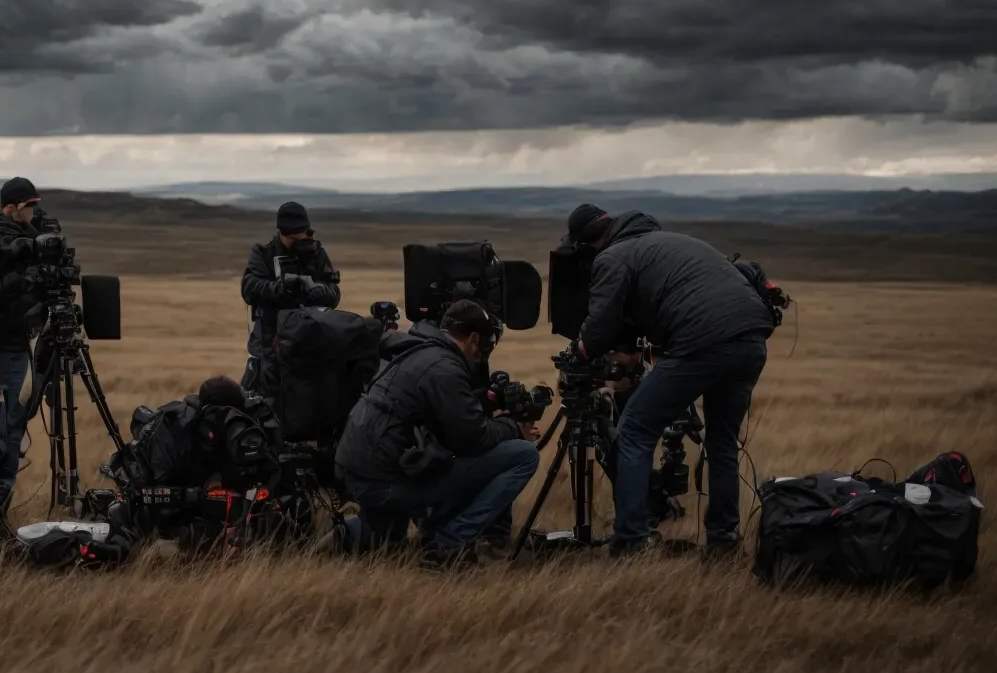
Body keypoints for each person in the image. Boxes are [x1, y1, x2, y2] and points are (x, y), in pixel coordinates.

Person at [565, 204, 776, 558]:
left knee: (634, 430)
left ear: (588, 243)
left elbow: (600, 328)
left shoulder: (613, 257)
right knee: (722, 442)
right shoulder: (672, 241)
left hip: (703, 340)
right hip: (753, 337)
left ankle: (631, 540)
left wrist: (580, 352)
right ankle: (723, 541)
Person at [334, 299, 541, 569]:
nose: (483, 354)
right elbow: (472, 439)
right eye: (486, 345)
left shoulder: (417, 350)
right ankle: (448, 543)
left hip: (360, 473)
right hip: (385, 482)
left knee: (383, 539)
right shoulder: (445, 368)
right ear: (474, 338)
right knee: (523, 455)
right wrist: (514, 428)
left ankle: (339, 536)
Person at [0, 176, 47, 505]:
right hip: (2, 345)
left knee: (14, 421)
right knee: (1, 429)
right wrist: (32, 273)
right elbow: (4, 291)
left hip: (19, 344)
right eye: (28, 206)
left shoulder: (25, 236)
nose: (34, 212)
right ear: (10, 208)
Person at [240, 201, 340, 396]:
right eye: (290, 238)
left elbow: (333, 295)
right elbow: (249, 288)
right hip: (269, 349)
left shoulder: (316, 255)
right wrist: (278, 289)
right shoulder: (264, 253)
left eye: (299, 237)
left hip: (309, 349)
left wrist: (311, 289)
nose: (296, 242)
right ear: (280, 233)